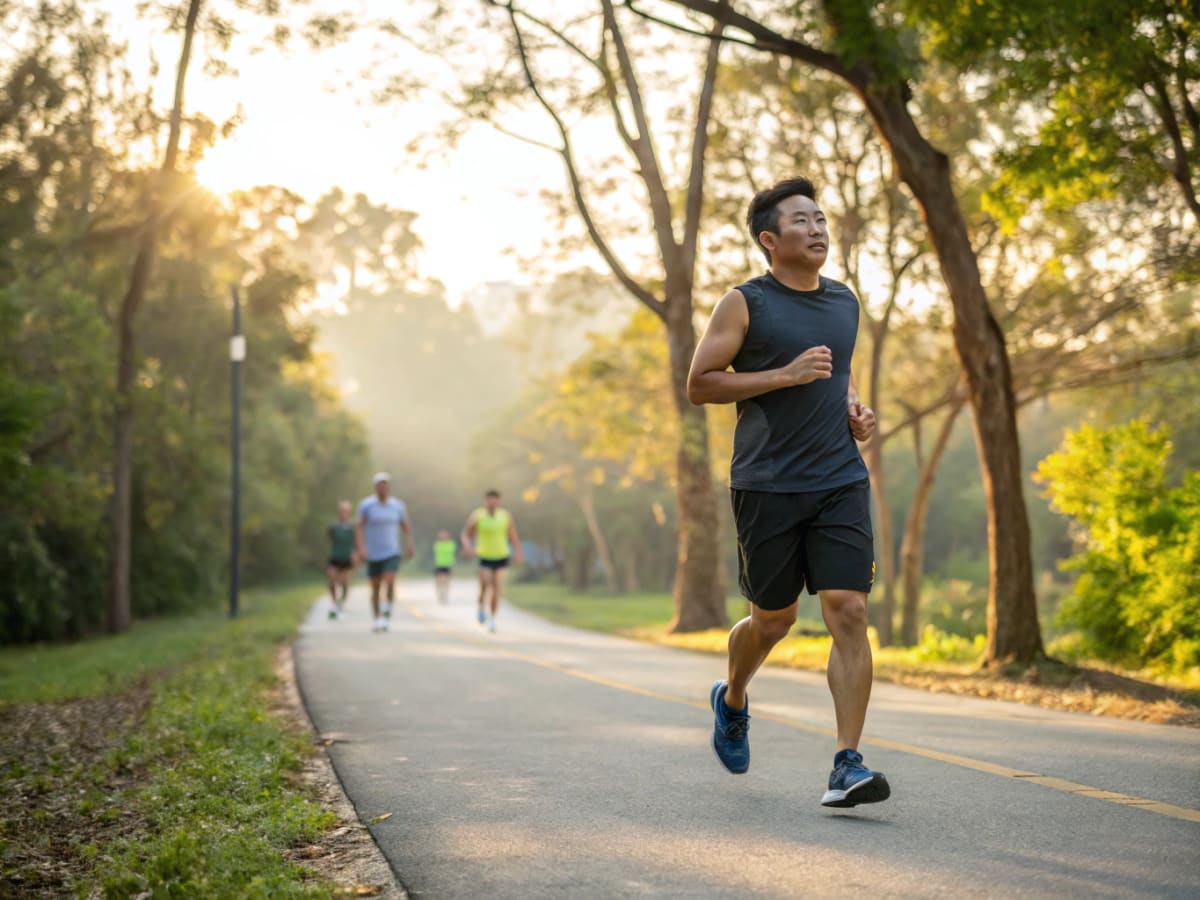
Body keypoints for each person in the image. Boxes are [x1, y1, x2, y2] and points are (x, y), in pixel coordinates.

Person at [686, 177, 888, 808]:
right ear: (770, 240)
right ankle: (734, 697)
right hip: (767, 484)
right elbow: (701, 384)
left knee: (849, 611)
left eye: (821, 218)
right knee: (772, 620)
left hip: (839, 479)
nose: (818, 228)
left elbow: (839, 379)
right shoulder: (745, 304)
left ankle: (846, 763)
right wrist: (784, 375)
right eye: (802, 221)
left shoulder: (845, 302)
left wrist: (856, 413)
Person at [355, 472, 415, 633]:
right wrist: (361, 548)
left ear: (389, 487)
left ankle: (387, 607)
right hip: (373, 552)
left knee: (389, 580)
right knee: (374, 588)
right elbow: (359, 527)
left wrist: (409, 545)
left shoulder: (397, 506)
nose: (383, 487)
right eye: (380, 485)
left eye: (386, 484)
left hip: (392, 551)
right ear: (375, 487)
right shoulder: (366, 505)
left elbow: (406, 527)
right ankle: (377, 618)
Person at [461, 489, 525, 633]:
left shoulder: (505, 516)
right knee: (485, 585)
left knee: (497, 587)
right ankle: (481, 607)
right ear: (485, 501)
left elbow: (513, 536)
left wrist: (519, 553)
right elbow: (466, 534)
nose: (492, 502)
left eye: (495, 500)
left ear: (499, 501)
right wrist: (467, 546)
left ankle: (493, 619)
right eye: (489, 499)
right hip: (484, 555)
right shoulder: (478, 515)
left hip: (502, 555)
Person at [325, 500, 357, 619]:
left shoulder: (352, 528)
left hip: (347, 558)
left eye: (346, 511)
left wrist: (355, 554)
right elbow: (327, 539)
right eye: (342, 511)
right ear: (339, 513)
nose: (344, 513)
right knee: (331, 581)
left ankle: (341, 603)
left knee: (345, 584)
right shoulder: (333, 527)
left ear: (349, 513)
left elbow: (356, 542)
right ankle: (334, 603)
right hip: (335, 557)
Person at [433, 528, 457, 604]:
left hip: (448, 565)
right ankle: (440, 592)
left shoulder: (451, 544)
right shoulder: (437, 544)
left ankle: (445, 594)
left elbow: (453, 553)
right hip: (439, 565)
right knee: (440, 580)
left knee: (446, 581)